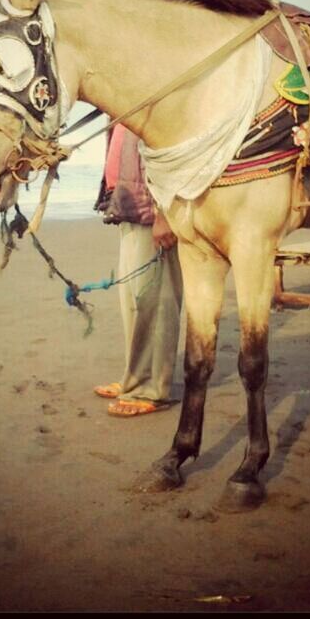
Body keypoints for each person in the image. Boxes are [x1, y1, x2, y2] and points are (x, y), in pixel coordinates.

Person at [93, 124, 183, 417]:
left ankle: (151, 388)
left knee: (155, 303)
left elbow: (171, 152)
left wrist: (165, 214)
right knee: (132, 304)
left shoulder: (149, 88)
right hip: (129, 208)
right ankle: (134, 378)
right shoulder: (121, 97)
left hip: (153, 213)